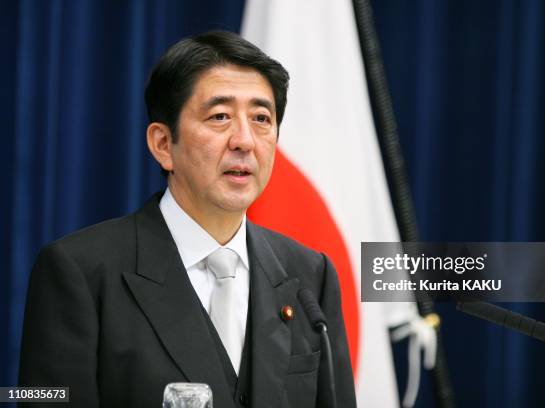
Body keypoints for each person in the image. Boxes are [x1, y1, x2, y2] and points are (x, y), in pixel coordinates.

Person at [19, 31, 356, 408]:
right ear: (163, 144)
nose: (244, 140)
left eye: (262, 118)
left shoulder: (310, 275)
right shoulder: (79, 272)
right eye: (220, 116)